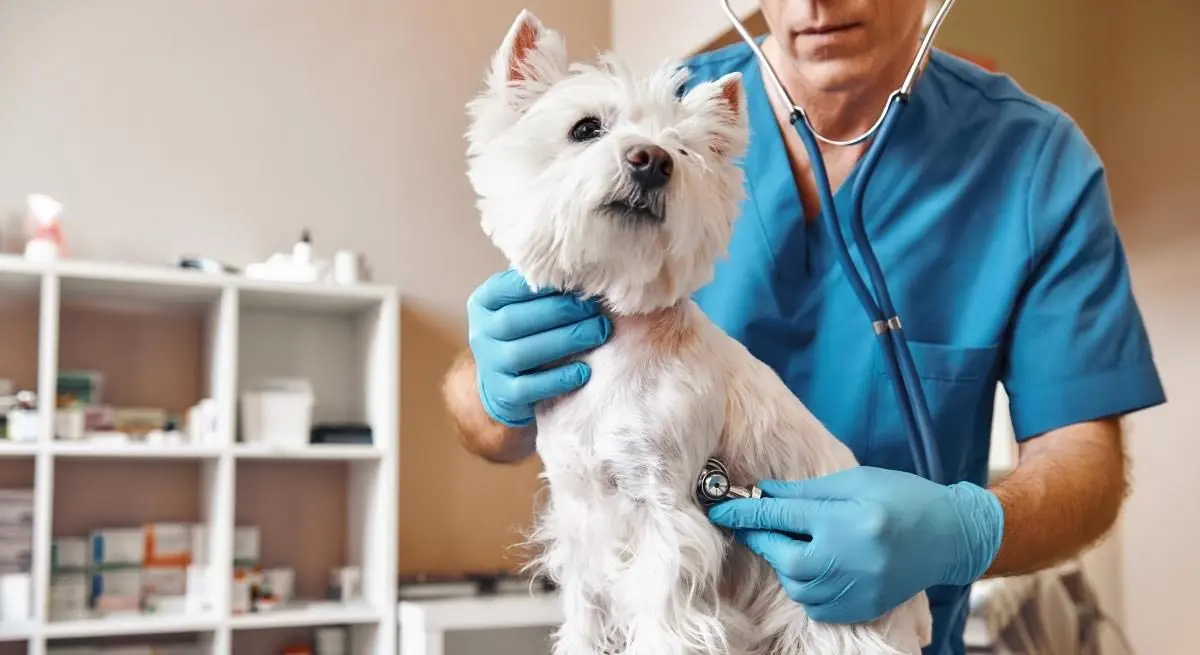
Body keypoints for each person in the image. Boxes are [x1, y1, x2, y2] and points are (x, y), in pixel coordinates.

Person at [441, 1, 1167, 653]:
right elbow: (488, 419)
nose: (814, 2)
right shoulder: (665, 105)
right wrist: (488, 382)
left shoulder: (1036, 162)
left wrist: (961, 529)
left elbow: (1088, 468)